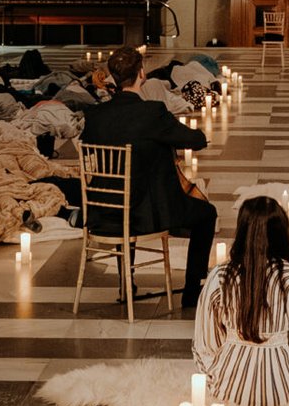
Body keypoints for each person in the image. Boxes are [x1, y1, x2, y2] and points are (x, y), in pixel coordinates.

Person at [78, 46, 217, 308]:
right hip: (147, 214)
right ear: (141, 74)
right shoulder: (152, 113)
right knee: (206, 215)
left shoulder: (95, 116)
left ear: (113, 77)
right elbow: (195, 140)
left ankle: (125, 283)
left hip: (104, 212)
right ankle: (191, 291)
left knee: (125, 193)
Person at [193, 194, 289, 406]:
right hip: (284, 389)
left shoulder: (220, 276)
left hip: (228, 387)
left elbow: (206, 343)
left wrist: (218, 372)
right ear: (282, 232)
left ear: (242, 231)